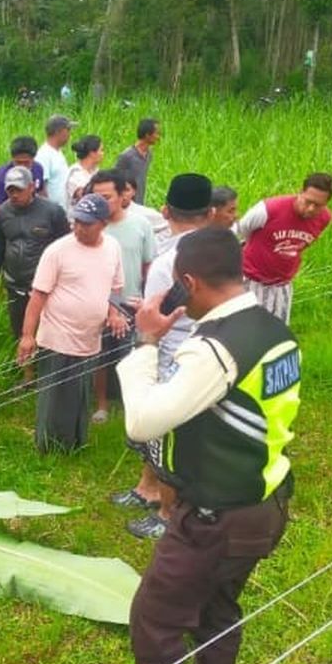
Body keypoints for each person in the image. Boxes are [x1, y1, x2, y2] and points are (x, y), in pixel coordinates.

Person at [117, 226, 300, 664]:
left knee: (155, 619)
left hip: (215, 516)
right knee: (219, 611)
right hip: (263, 502)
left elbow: (143, 422)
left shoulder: (215, 350)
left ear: (189, 283)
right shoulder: (273, 329)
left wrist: (148, 340)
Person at [115, 174, 217, 540]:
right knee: (156, 439)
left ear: (165, 210)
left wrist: (144, 314)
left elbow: (162, 317)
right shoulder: (222, 250)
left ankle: (167, 512)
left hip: (170, 355)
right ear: (210, 212)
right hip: (205, 350)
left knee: (167, 438)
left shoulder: (168, 261)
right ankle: (147, 487)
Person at [16, 193, 129, 453]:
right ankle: (48, 445)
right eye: (76, 221)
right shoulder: (57, 251)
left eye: (86, 223)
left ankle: (75, 442)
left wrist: (114, 313)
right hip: (58, 335)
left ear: (103, 223)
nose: (79, 228)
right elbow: (38, 296)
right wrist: (27, 335)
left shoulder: (112, 247)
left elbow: (115, 287)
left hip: (89, 336)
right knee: (56, 394)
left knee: (79, 392)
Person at [89, 170, 156, 424]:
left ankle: (132, 406)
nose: (101, 202)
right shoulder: (89, 227)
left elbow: (148, 266)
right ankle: (102, 404)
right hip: (97, 304)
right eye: (96, 197)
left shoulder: (140, 225)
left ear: (122, 195)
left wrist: (146, 300)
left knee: (131, 357)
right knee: (100, 356)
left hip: (130, 304)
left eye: (106, 197)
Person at [0, 165, 71, 385]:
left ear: (31, 187)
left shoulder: (52, 212)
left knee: (48, 329)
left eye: (19, 189)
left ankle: (51, 373)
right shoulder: (2, 213)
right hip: (14, 283)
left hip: (44, 285)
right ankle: (28, 376)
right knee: (20, 329)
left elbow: (65, 246)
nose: (14, 195)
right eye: (10, 190)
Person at [235, 173, 332, 325]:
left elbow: (301, 246)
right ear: (300, 192)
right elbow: (240, 230)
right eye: (308, 201)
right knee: (246, 331)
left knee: (277, 335)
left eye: (318, 205)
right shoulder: (268, 210)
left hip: (282, 285)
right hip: (251, 281)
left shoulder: (325, 219)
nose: (310, 208)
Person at [0, 136, 47, 276]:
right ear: (12, 159)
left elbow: (42, 192)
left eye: (26, 163)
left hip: (26, 226)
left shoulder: (38, 170)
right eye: (18, 162)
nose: (22, 167)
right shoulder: (1, 177)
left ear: (33, 159)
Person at [115, 118, 161, 206]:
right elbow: (115, 178)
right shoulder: (126, 156)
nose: (158, 137)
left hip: (140, 201)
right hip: (126, 203)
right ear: (147, 135)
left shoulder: (149, 154)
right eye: (156, 133)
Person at [36, 114, 77, 213]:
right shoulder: (45, 154)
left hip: (61, 212)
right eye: (68, 130)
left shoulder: (57, 152)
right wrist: (48, 212)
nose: (69, 134)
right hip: (52, 213)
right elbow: (41, 187)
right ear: (59, 132)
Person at [65, 134, 104, 207]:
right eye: (101, 150)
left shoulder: (96, 171)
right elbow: (83, 196)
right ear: (92, 153)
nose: (103, 154)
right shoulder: (75, 174)